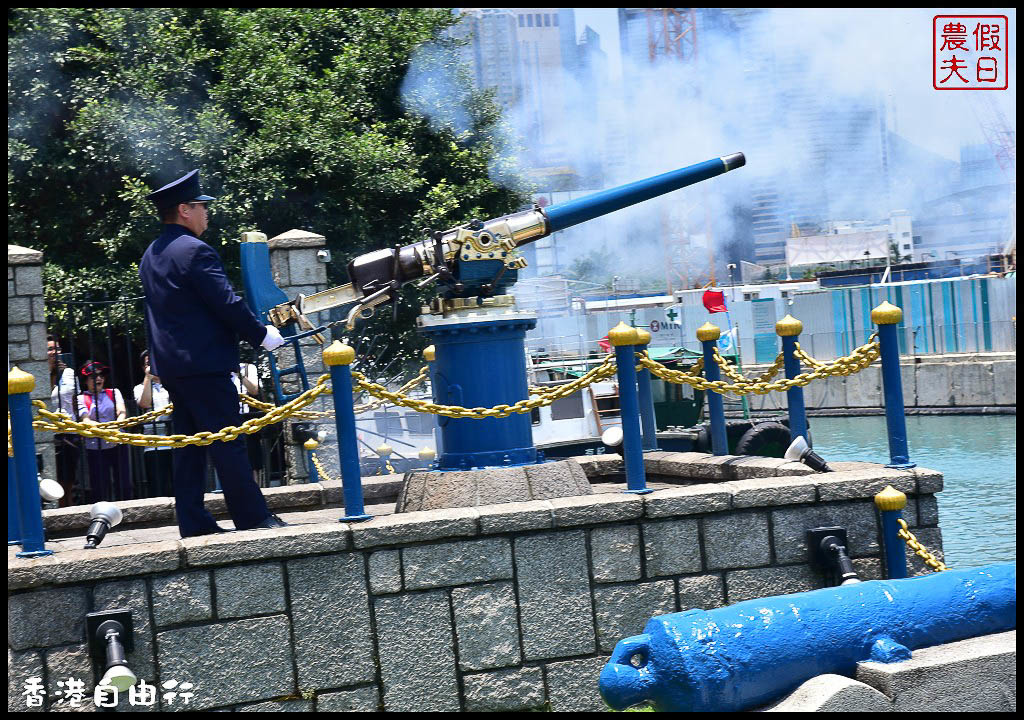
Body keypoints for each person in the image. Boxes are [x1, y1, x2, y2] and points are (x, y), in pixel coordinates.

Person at [139, 169, 286, 537]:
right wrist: (261, 334)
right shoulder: (195, 250)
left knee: (189, 448)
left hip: (173, 366)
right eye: (202, 206)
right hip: (204, 365)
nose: (207, 213)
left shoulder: (151, 254)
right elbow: (225, 301)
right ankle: (253, 516)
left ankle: (193, 520)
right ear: (184, 210)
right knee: (227, 441)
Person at [76, 361, 132, 502]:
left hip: (118, 443)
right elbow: (86, 420)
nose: (99, 378)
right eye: (94, 376)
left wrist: (113, 428)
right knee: (100, 486)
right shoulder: (81, 398)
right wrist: (108, 430)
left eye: (101, 375)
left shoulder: (114, 392)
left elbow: (122, 412)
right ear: (86, 381)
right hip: (95, 447)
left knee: (124, 483)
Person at [133, 350, 174, 497]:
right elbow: (145, 403)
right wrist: (148, 377)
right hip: (153, 444)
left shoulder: (172, 383)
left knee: (178, 484)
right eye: (147, 364)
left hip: (175, 439)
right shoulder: (139, 388)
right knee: (158, 488)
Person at [48, 336, 81, 506]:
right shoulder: (41, 374)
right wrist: (51, 375)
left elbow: (76, 400)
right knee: (54, 479)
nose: (55, 353)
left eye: (58, 349)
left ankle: (69, 510)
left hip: (70, 431)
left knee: (69, 480)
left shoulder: (69, 373)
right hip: (50, 433)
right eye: (51, 349)